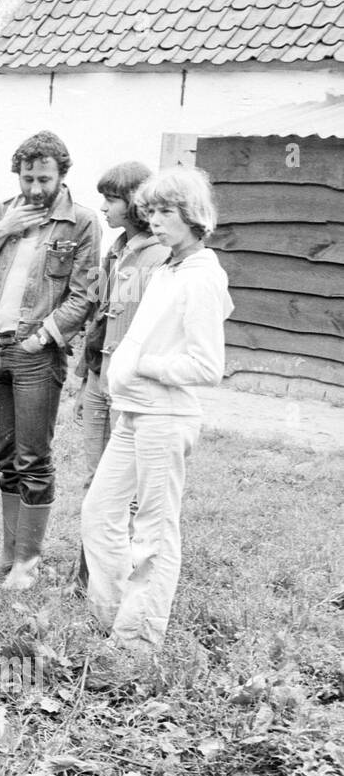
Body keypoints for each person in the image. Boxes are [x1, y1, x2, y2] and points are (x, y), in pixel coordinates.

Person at [81, 167, 232, 653]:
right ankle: (110, 617)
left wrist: (143, 364)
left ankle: (138, 643)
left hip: (166, 416)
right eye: (153, 211)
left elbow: (208, 365)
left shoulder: (203, 276)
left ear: (194, 216)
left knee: (154, 531)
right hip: (134, 412)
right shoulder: (170, 268)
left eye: (167, 211)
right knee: (99, 511)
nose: (157, 221)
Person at [0, 131, 102, 590]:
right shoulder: (5, 212)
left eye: (44, 178)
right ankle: (6, 554)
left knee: (32, 457)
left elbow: (83, 296)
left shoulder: (81, 223)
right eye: (28, 178)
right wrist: (1, 231)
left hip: (36, 355)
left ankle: (28, 562)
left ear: (62, 176)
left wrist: (41, 338)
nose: (36, 189)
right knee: (5, 455)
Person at [67, 162, 171, 595]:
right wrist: (82, 380)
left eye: (111, 199)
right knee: (96, 480)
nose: (104, 207)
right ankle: (87, 573)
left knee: (128, 489)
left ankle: (122, 576)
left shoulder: (159, 255)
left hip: (132, 387)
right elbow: (96, 317)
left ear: (135, 204)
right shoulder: (114, 249)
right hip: (98, 381)